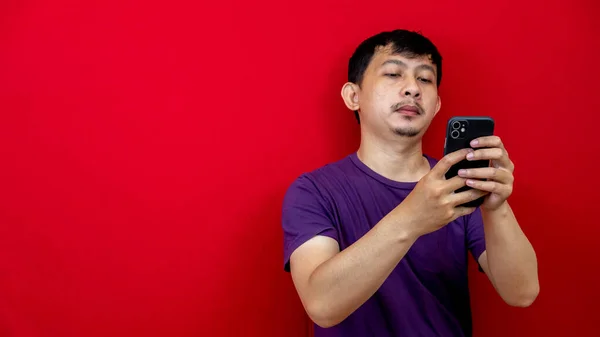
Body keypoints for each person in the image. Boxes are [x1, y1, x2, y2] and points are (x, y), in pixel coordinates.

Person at [280, 29, 539, 337]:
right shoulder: (313, 191)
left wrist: (497, 207)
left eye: (425, 79)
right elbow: (322, 305)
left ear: (437, 104)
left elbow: (522, 293)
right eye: (393, 74)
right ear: (353, 96)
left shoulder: (458, 184)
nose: (412, 89)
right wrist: (414, 217)